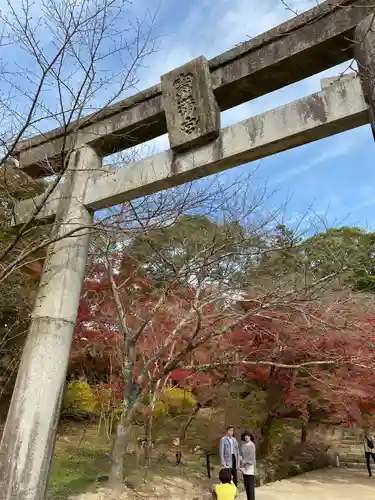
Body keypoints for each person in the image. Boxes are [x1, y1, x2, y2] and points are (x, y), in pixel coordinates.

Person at [239, 430, 256, 500]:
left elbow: (251, 457)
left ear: (250, 437)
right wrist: (241, 461)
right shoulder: (242, 444)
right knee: (246, 485)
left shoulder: (252, 445)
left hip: (250, 467)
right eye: (245, 436)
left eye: (248, 436)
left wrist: (244, 461)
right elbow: (240, 454)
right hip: (243, 467)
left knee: (250, 486)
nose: (246, 437)